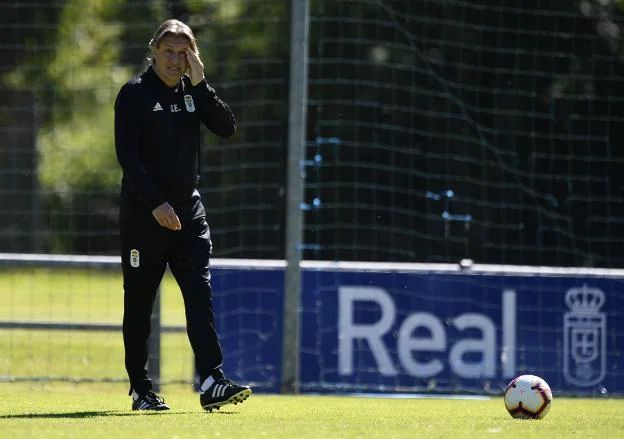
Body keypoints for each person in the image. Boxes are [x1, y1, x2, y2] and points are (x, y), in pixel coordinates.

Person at [114, 18, 251, 412]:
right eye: (169, 51)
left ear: (194, 55)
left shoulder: (195, 93)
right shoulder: (135, 94)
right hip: (145, 216)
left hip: (189, 215)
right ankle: (142, 390)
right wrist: (156, 203)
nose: (176, 59)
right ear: (154, 51)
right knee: (139, 302)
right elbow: (128, 158)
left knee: (199, 292)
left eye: (184, 52)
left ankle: (211, 380)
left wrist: (202, 83)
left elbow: (226, 127)